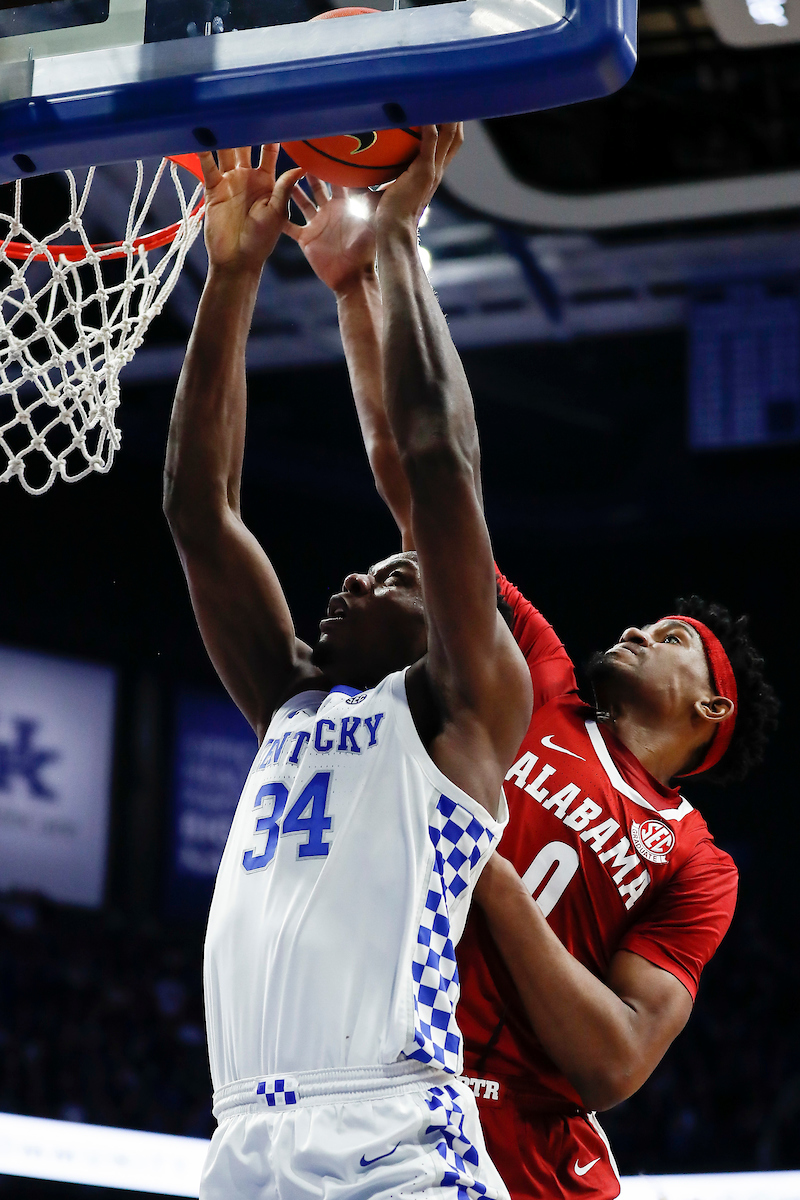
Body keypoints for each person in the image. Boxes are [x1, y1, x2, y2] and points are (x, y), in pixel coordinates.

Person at [285, 168, 779, 1199]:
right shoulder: (541, 675)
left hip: (526, 1150)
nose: (638, 628)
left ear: (708, 712)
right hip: (387, 1085)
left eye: (672, 638)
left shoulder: (694, 864)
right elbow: (422, 487)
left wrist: (487, 871)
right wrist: (354, 294)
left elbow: (611, 1061)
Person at [163, 128, 532, 1200]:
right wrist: (230, 275)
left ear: (449, 627)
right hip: (241, 1141)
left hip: (388, 1137)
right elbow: (199, 513)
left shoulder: (465, 709)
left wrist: (400, 242)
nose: (358, 583)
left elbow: (434, 454)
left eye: (394, 580)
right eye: (371, 573)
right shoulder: (289, 698)